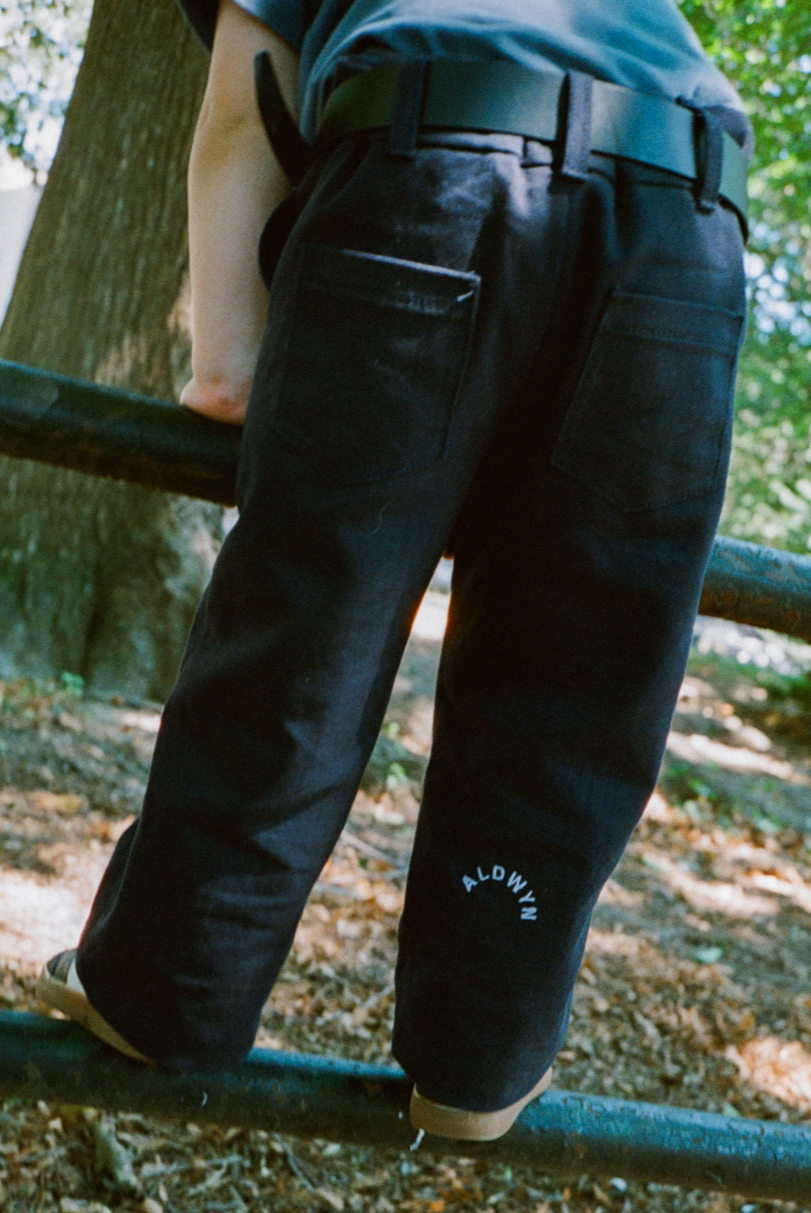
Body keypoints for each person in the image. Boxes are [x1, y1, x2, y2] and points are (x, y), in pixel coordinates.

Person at [37, 0, 752, 1141]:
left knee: (311, 627)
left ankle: (164, 989)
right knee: (578, 678)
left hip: (432, 172)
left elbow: (241, 117)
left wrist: (225, 365)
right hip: (689, 214)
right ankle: (480, 1058)